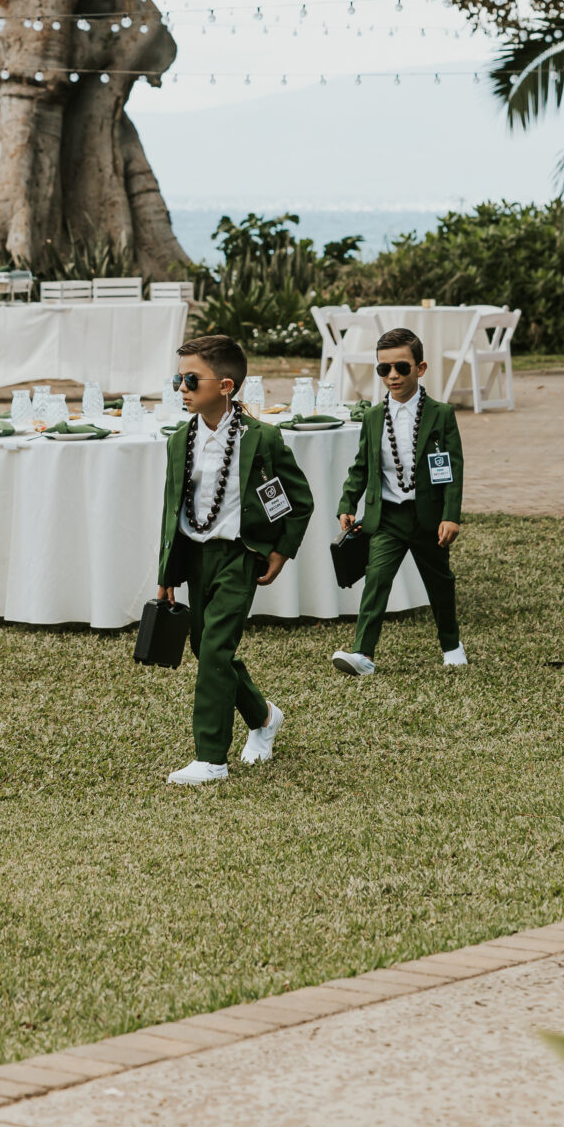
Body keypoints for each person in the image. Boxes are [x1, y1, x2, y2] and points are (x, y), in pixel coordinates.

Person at [156, 333, 314, 788]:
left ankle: (210, 757)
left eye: (191, 379)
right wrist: (166, 573)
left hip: (240, 556)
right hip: (195, 556)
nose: (181, 387)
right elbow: (173, 511)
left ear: (226, 386)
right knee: (205, 647)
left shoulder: (261, 439)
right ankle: (263, 716)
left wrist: (281, 551)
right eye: (177, 378)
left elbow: (297, 501)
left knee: (215, 650)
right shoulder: (178, 439)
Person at [331, 326, 465, 677]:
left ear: (420, 369)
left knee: (439, 582)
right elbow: (361, 466)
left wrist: (450, 515)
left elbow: (450, 469)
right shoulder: (374, 417)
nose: (392, 375)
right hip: (387, 517)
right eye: (383, 369)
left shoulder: (441, 414)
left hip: (427, 517)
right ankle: (363, 653)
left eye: (401, 368)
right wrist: (348, 502)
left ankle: (451, 644)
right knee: (376, 580)